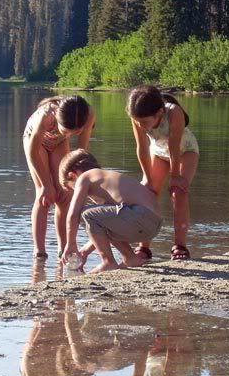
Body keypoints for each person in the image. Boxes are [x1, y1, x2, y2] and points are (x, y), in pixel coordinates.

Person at [59, 149, 162, 274]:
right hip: (153, 225)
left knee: (85, 214)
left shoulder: (84, 178)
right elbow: (103, 227)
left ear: (72, 175)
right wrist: (84, 252)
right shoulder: (105, 180)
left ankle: (108, 262)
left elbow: (73, 215)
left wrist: (70, 244)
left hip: (140, 216)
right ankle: (130, 258)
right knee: (99, 218)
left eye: (72, 188)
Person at [126, 85, 199, 260]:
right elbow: (142, 148)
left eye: (144, 121)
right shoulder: (136, 117)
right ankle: (143, 247)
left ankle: (180, 245)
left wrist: (175, 177)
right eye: (137, 121)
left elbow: (174, 147)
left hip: (185, 151)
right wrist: (148, 179)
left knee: (178, 193)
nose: (140, 125)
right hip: (158, 152)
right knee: (147, 194)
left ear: (159, 113)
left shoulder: (174, 113)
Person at [23, 95, 95, 260]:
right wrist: (45, 186)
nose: (72, 134)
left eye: (75, 132)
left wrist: (76, 179)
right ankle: (39, 252)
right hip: (35, 145)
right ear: (58, 120)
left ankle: (64, 249)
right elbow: (33, 152)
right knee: (45, 197)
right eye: (67, 130)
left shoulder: (88, 114)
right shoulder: (46, 116)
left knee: (64, 195)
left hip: (59, 143)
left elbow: (80, 152)